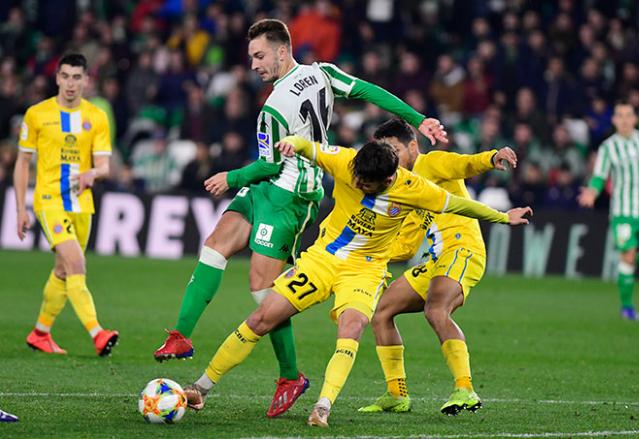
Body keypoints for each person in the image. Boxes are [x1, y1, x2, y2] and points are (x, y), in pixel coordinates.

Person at [153, 18, 447, 417]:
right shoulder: (321, 73)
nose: (254, 65)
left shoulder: (273, 108)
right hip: (269, 187)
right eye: (250, 57)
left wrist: (231, 176)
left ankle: (290, 375)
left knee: (263, 287)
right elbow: (368, 90)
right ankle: (181, 336)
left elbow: (269, 165)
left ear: (281, 50)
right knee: (216, 245)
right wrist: (418, 118)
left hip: (292, 191)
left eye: (259, 56)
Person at [183, 135, 532, 427]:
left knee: (352, 327)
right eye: (357, 178)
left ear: (389, 179)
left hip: (364, 271)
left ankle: (323, 407)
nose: (358, 184)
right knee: (262, 318)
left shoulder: (415, 188)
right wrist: (290, 142)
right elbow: (310, 146)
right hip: (322, 259)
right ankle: (201, 386)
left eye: (367, 184)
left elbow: (459, 204)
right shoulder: (347, 162)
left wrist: (503, 217)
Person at [357, 118, 516, 417]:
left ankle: (465, 388)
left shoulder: (432, 164)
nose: (390, 157)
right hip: (434, 259)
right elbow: (405, 245)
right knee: (381, 312)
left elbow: (464, 165)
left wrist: (492, 157)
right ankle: (396, 393)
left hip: (462, 249)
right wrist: (364, 255)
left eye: (394, 149)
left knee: (435, 310)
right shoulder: (403, 187)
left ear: (413, 146)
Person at [14, 53, 119, 356]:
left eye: (77, 77)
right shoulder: (37, 114)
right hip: (49, 200)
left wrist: (93, 172)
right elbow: (22, 163)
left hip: (82, 204)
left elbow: (104, 167)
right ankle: (97, 333)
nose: (71, 83)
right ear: (57, 78)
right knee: (76, 263)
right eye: (65, 76)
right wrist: (21, 208)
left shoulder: (96, 117)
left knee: (63, 271)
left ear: (86, 80)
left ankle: (40, 332)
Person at [578, 101, 639, 321]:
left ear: (635, 119)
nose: (624, 120)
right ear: (614, 120)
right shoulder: (608, 147)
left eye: (628, 115)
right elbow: (599, 176)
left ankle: (633, 263)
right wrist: (592, 193)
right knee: (628, 254)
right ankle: (627, 307)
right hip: (623, 212)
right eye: (620, 116)